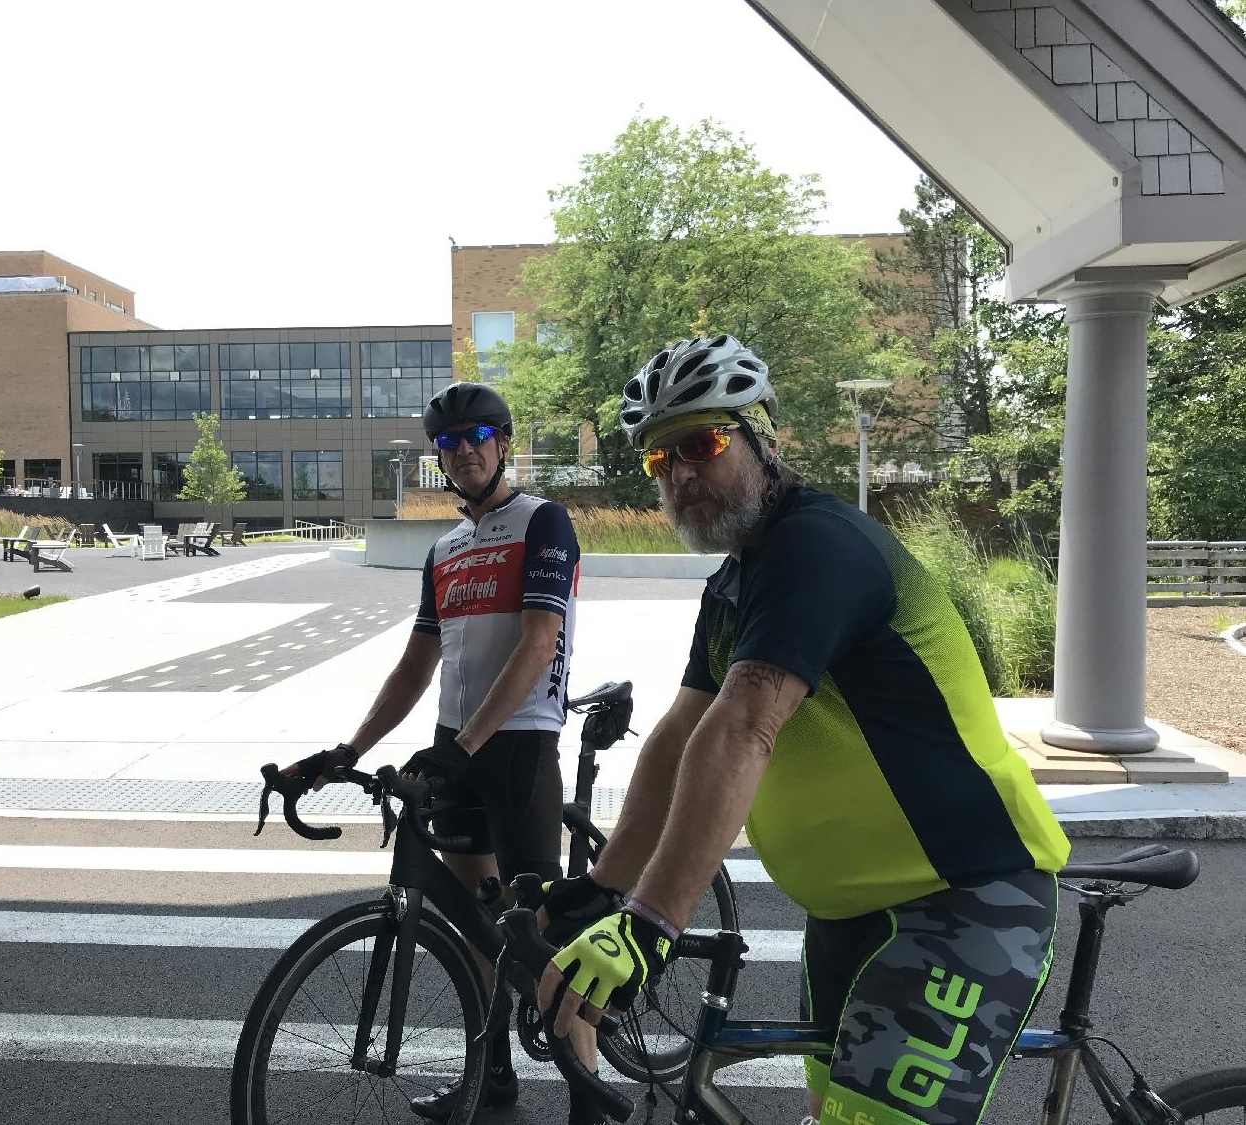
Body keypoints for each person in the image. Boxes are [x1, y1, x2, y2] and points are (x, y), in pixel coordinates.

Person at [536, 335, 1072, 1125]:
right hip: (848, 918)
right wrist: (603, 885)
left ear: (765, 435)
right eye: (660, 459)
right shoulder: (734, 581)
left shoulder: (817, 548)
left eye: (701, 442)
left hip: (960, 900)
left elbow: (743, 727)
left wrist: (649, 922)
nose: (681, 473)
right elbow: (683, 734)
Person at [284, 382, 596, 1122]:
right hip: (454, 748)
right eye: (447, 443)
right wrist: (347, 748)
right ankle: (491, 1079)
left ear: (504, 441)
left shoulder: (543, 522)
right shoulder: (445, 548)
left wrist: (467, 745)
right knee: (478, 933)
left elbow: (538, 642)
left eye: (477, 436)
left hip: (517, 748)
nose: (463, 452)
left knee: (542, 941)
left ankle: (588, 1092)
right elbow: (416, 664)